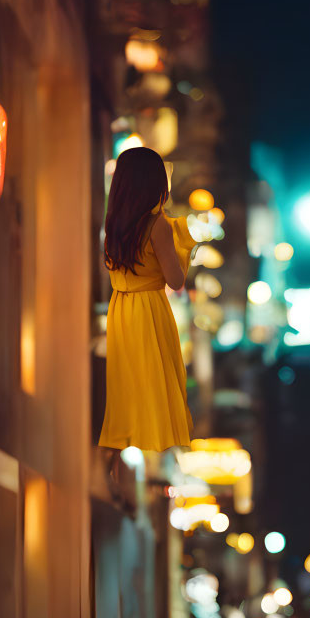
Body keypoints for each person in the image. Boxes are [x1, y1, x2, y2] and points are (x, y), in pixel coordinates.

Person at [99, 146, 196, 452]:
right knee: (155, 388)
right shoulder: (158, 225)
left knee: (125, 390)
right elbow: (176, 280)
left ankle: (114, 456)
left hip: (122, 308)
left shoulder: (115, 224)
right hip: (149, 310)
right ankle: (137, 450)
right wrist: (185, 244)